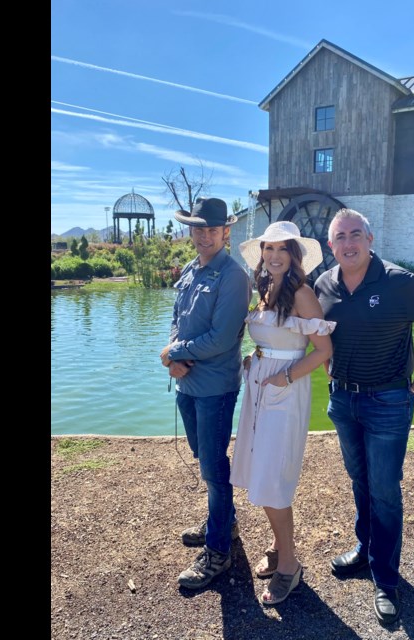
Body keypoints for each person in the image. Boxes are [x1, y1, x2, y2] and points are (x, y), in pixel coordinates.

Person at [313, 208, 414, 625]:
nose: (349, 243)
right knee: (360, 480)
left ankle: (386, 578)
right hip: (343, 401)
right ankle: (365, 548)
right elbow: (318, 336)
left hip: (389, 402)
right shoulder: (323, 284)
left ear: (370, 239)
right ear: (330, 245)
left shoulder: (399, 282)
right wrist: (329, 371)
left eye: (356, 234)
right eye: (340, 237)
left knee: (385, 490)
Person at [230, 221, 335, 605]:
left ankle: (290, 565)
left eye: (282, 249)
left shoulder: (303, 294)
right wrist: (252, 359)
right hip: (260, 386)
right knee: (260, 468)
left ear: (294, 255)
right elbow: (271, 339)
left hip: (284, 391)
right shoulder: (266, 289)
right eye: (268, 249)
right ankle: (278, 547)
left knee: (273, 477)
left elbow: (323, 351)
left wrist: (284, 376)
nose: (274, 256)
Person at [159, 197, 252, 590]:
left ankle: (218, 551)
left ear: (225, 232)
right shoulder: (191, 270)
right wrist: (172, 355)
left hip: (215, 388)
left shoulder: (233, 275)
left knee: (214, 468)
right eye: (198, 228)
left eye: (212, 229)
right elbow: (178, 320)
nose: (204, 235)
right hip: (187, 383)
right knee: (204, 457)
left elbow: (222, 337)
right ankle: (223, 522)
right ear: (190, 230)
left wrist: (174, 353)